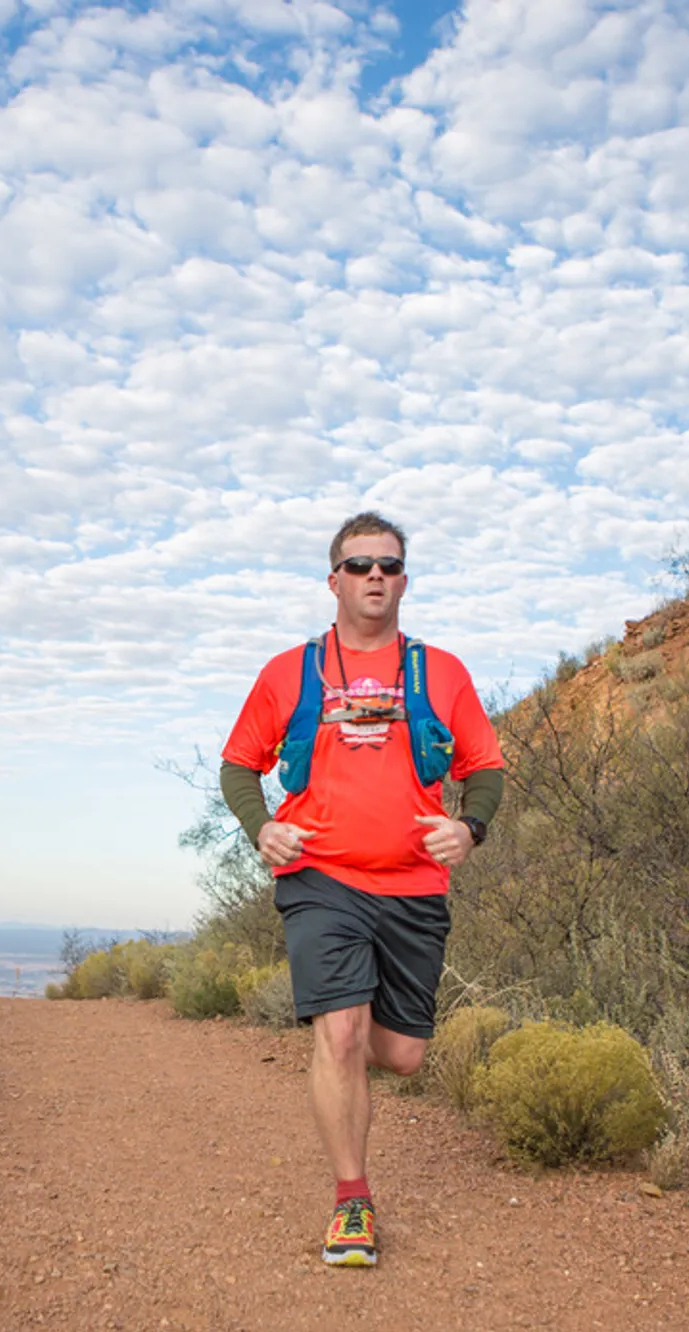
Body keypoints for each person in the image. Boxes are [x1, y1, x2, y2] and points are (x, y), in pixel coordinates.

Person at [219, 511, 504, 1268]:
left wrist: (471, 828)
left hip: (414, 884)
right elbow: (237, 766)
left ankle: (338, 1033)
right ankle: (352, 1202)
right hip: (321, 876)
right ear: (334, 581)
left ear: (404, 579)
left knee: (402, 1056)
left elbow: (487, 768)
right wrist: (263, 829)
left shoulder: (441, 672)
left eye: (387, 564)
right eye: (358, 565)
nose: (374, 576)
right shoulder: (290, 672)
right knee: (341, 1032)